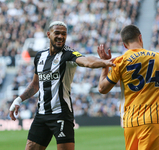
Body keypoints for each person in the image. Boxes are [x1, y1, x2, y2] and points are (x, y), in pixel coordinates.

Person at [9, 21, 115, 150]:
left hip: (61, 115)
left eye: (64, 34)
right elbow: (35, 84)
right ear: (48, 34)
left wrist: (103, 61)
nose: (60, 36)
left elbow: (87, 61)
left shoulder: (68, 54)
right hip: (41, 115)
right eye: (57, 33)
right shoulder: (39, 56)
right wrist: (18, 99)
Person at [97, 24, 159, 150]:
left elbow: (102, 88)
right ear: (140, 37)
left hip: (130, 122)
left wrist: (104, 65)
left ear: (124, 45)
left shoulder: (120, 61)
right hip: (153, 119)